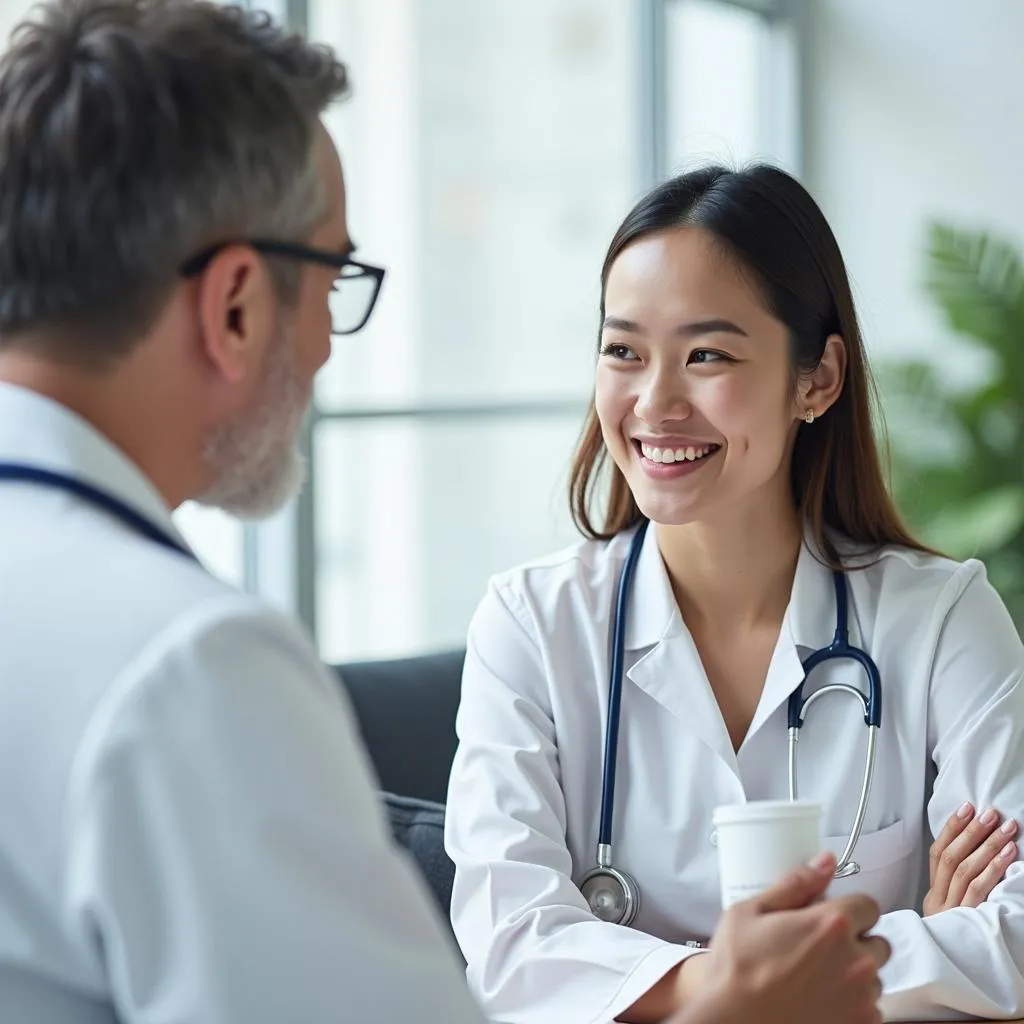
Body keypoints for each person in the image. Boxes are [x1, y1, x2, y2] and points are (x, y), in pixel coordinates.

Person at [0, 2, 892, 1023]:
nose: (333, 345)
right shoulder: (189, 670)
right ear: (238, 304)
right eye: (335, 280)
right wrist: (723, 1007)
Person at [444, 163, 1024, 1023]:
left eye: (707, 354)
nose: (654, 401)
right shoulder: (531, 626)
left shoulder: (940, 619)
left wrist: (659, 989)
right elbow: (511, 948)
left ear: (817, 380)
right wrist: (895, 953)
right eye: (622, 351)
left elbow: (1015, 936)